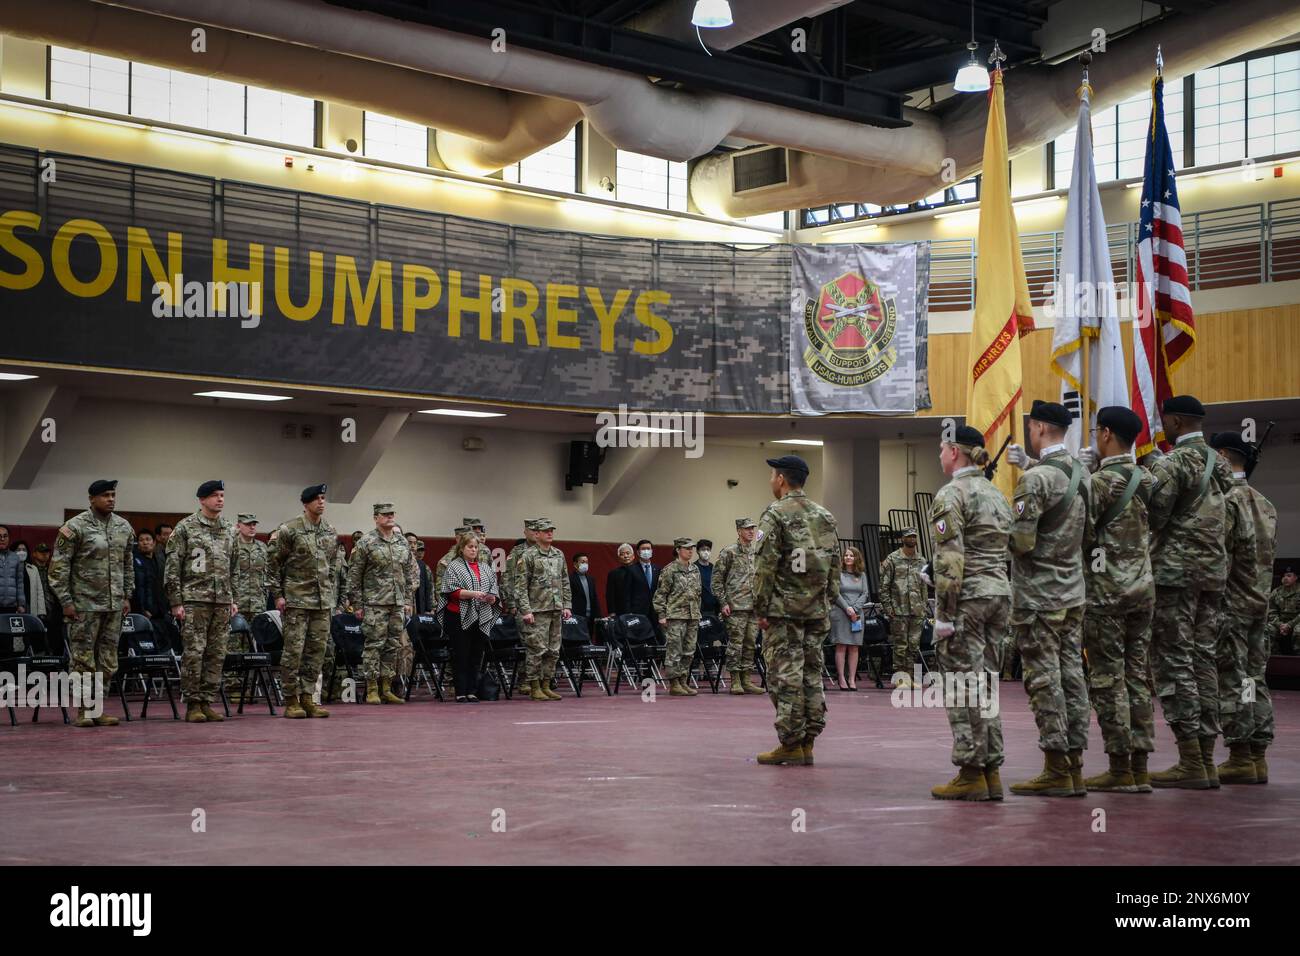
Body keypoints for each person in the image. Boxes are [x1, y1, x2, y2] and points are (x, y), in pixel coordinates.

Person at [1144, 395, 1235, 789]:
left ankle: (1190, 760)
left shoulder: (1174, 463)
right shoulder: (1221, 463)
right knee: (1204, 661)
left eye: (1165, 419)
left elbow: (1156, 515)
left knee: (1174, 662)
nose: (1162, 424)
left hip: (1176, 575)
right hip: (1213, 574)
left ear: (1178, 421)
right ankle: (1208, 760)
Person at [1005, 400, 1091, 797]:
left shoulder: (1035, 479)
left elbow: (1022, 543)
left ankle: (1056, 766)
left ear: (1038, 427)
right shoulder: (1083, 474)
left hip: (1039, 597)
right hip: (1073, 591)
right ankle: (1074, 763)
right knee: (1073, 676)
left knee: (1044, 680)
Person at [928, 426, 1013, 800]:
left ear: (953, 452)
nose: (940, 455)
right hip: (999, 595)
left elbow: (951, 559)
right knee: (987, 685)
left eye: (942, 449)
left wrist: (944, 615)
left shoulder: (951, 494)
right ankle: (991, 769)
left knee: (963, 685)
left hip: (968, 599)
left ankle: (970, 771)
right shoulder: (997, 494)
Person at [1079, 407, 1158, 793]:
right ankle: (1141, 767)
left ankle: (1120, 767)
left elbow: (1078, 533)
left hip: (1106, 594)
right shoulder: (1150, 479)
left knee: (1109, 680)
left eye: (1096, 431)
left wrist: (1082, 477)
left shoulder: (1099, 483)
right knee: (1139, 677)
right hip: (1144, 591)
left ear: (1106, 433)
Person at [752, 454, 840, 767]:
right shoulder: (825, 516)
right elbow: (835, 566)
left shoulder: (775, 514)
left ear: (781, 479)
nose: (771, 481)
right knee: (812, 674)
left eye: (772, 475)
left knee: (785, 675)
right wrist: (827, 601)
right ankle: (808, 741)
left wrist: (760, 608)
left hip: (783, 612)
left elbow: (764, 567)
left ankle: (790, 743)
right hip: (816, 611)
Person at [1209, 431, 1277, 784]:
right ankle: (1256, 755)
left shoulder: (1226, 503)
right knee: (1253, 679)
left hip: (1232, 607)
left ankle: (1238, 754)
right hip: (1259, 604)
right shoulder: (1265, 503)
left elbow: (1220, 561)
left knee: (1233, 680)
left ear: (1221, 455)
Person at [48, 479, 135, 728]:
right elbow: (58, 569)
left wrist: (127, 595)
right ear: (92, 499)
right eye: (106, 495)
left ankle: (98, 708)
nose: (111, 499)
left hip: (114, 605)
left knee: (107, 661)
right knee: (83, 660)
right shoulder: (74, 527)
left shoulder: (123, 526)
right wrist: (66, 601)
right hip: (84, 605)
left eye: (113, 495)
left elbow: (128, 564)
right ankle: (83, 711)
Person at [267, 484, 343, 719]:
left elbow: (332, 566)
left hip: (322, 602)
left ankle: (308, 697)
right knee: (293, 652)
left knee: (316, 652)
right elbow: (272, 565)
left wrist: (331, 595)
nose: (321, 502)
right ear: (305, 503)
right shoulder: (289, 529)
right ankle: (291, 699)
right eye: (316, 499)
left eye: (323, 498)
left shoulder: (329, 530)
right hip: (297, 600)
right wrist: (278, 595)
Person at [165, 480, 238, 723]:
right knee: (195, 652)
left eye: (222, 495)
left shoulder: (229, 529)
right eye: (215, 495)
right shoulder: (186, 527)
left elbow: (233, 566)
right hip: (195, 600)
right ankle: (193, 703)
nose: (220, 500)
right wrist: (176, 602)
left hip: (221, 602)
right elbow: (172, 567)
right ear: (202, 499)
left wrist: (232, 598)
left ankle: (207, 700)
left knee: (216, 653)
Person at [346, 502, 415, 705]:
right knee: (373, 646)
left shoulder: (401, 542)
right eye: (385, 514)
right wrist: (357, 604)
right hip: (374, 603)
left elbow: (408, 573)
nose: (389, 517)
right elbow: (354, 575)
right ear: (376, 517)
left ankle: (387, 687)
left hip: (397, 603)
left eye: (392, 513)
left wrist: (408, 600)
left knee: (392, 646)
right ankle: (372, 689)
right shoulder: (366, 542)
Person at [437, 532, 500, 702]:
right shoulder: (454, 566)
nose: (473, 550)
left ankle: (472, 690)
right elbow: (451, 591)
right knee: (461, 655)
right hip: (458, 616)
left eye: (475, 547)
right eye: (469, 547)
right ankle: (460, 691)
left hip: (481, 615)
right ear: (462, 548)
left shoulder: (485, 568)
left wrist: (491, 597)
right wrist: (473, 594)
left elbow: (494, 590)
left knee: (476, 655)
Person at [515, 518, 571, 701]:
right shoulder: (528, 555)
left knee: (553, 650)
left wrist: (567, 605)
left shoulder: (558, 554)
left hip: (555, 608)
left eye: (551, 530)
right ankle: (534, 686)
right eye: (546, 530)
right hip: (537, 611)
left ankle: (547, 684)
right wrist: (525, 610)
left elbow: (565, 581)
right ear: (536, 534)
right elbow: (521, 586)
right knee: (536, 650)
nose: (550, 533)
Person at [713, 519, 764, 696]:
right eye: (747, 529)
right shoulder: (729, 552)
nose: (751, 532)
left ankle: (746, 679)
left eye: (752, 529)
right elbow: (717, 580)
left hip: (754, 607)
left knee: (751, 644)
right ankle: (735, 679)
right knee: (736, 644)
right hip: (735, 606)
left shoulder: (757, 552)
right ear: (738, 531)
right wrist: (723, 602)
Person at [878, 529, 927, 690]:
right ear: (902, 539)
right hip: (898, 609)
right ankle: (900, 678)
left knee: (913, 645)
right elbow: (884, 586)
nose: (912, 539)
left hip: (916, 609)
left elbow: (924, 586)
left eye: (914, 536)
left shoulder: (921, 560)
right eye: (909, 537)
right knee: (900, 645)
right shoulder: (892, 559)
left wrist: (924, 605)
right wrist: (888, 607)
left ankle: (910, 678)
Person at [654, 537, 703, 696]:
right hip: (675, 615)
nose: (690, 551)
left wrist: (697, 611)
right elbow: (660, 595)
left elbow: (698, 593)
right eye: (687, 548)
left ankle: (683, 680)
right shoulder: (670, 570)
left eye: (692, 548)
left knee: (689, 650)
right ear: (677, 550)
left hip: (692, 615)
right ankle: (674, 683)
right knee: (675, 650)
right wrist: (662, 614)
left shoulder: (695, 569)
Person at [831, 545, 871, 692]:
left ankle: (852, 679)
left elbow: (865, 593)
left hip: (857, 614)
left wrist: (854, 609)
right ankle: (841, 678)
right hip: (841, 612)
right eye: (846, 555)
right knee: (841, 645)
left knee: (854, 647)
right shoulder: (838, 574)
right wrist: (847, 607)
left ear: (856, 558)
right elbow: (835, 592)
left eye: (851, 555)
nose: (848, 557)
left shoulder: (862, 575)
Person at [231, 514, 269, 627]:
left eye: (254, 524)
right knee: (235, 641)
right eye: (248, 524)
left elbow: (266, 574)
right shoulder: (232, 546)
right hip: (237, 604)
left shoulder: (262, 547)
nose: (252, 527)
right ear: (238, 526)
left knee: (255, 641)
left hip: (257, 603)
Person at [28, 542, 61, 650]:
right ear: (34, 554)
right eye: (41, 552)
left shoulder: (52, 570)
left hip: (53, 608)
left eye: (47, 552)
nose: (45, 555)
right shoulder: (30, 569)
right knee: (38, 639)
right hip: (38, 607)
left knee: (55, 638)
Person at [501, 520, 538, 616]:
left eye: (538, 530)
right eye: (532, 530)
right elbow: (508, 577)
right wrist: (511, 603)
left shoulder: (546, 551)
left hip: (544, 605)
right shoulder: (517, 551)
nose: (535, 532)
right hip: (522, 604)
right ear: (525, 532)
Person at [627, 539, 661, 632]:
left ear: (652, 551)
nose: (646, 551)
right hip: (637, 611)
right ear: (638, 552)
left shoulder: (658, 569)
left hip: (655, 611)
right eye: (643, 549)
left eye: (648, 548)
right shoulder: (631, 570)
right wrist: (629, 612)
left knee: (655, 637)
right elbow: (627, 593)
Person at [1265, 567, 1300, 655]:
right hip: (1280, 623)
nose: (1285, 578)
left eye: (1289, 576)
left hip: (1297, 621)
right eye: (1283, 576)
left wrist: (1290, 625)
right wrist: (1280, 625)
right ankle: (1274, 657)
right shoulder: (1276, 592)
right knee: (1267, 630)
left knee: (1298, 631)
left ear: (1296, 578)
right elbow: (1271, 611)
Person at [569, 552, 601, 628]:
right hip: (577, 615)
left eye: (586, 562)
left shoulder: (591, 579)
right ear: (575, 564)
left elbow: (594, 597)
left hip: (591, 616)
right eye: (582, 562)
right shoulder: (570, 579)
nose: (585, 564)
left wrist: (598, 615)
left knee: (589, 637)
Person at [0, 525, 27, 614]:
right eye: (0, 536)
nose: (2, 539)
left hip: (11, 607)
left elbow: (20, 583)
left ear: (9, 538)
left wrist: (21, 604)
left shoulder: (16, 558)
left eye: (5, 536)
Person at [605, 542, 635, 616]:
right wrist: (612, 612)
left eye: (628, 553)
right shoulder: (613, 574)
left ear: (633, 556)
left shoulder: (640, 571)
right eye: (622, 554)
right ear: (619, 558)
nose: (625, 556)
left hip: (638, 611)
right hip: (620, 611)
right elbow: (610, 595)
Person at [695, 539, 720, 617]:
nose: (706, 552)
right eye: (703, 549)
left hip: (714, 610)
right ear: (697, 551)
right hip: (699, 611)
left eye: (708, 550)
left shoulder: (714, 568)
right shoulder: (693, 568)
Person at [413, 539, 435, 614]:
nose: (420, 553)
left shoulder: (425, 567)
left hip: (422, 605)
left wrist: (431, 607)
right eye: (418, 550)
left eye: (422, 551)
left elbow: (430, 588)